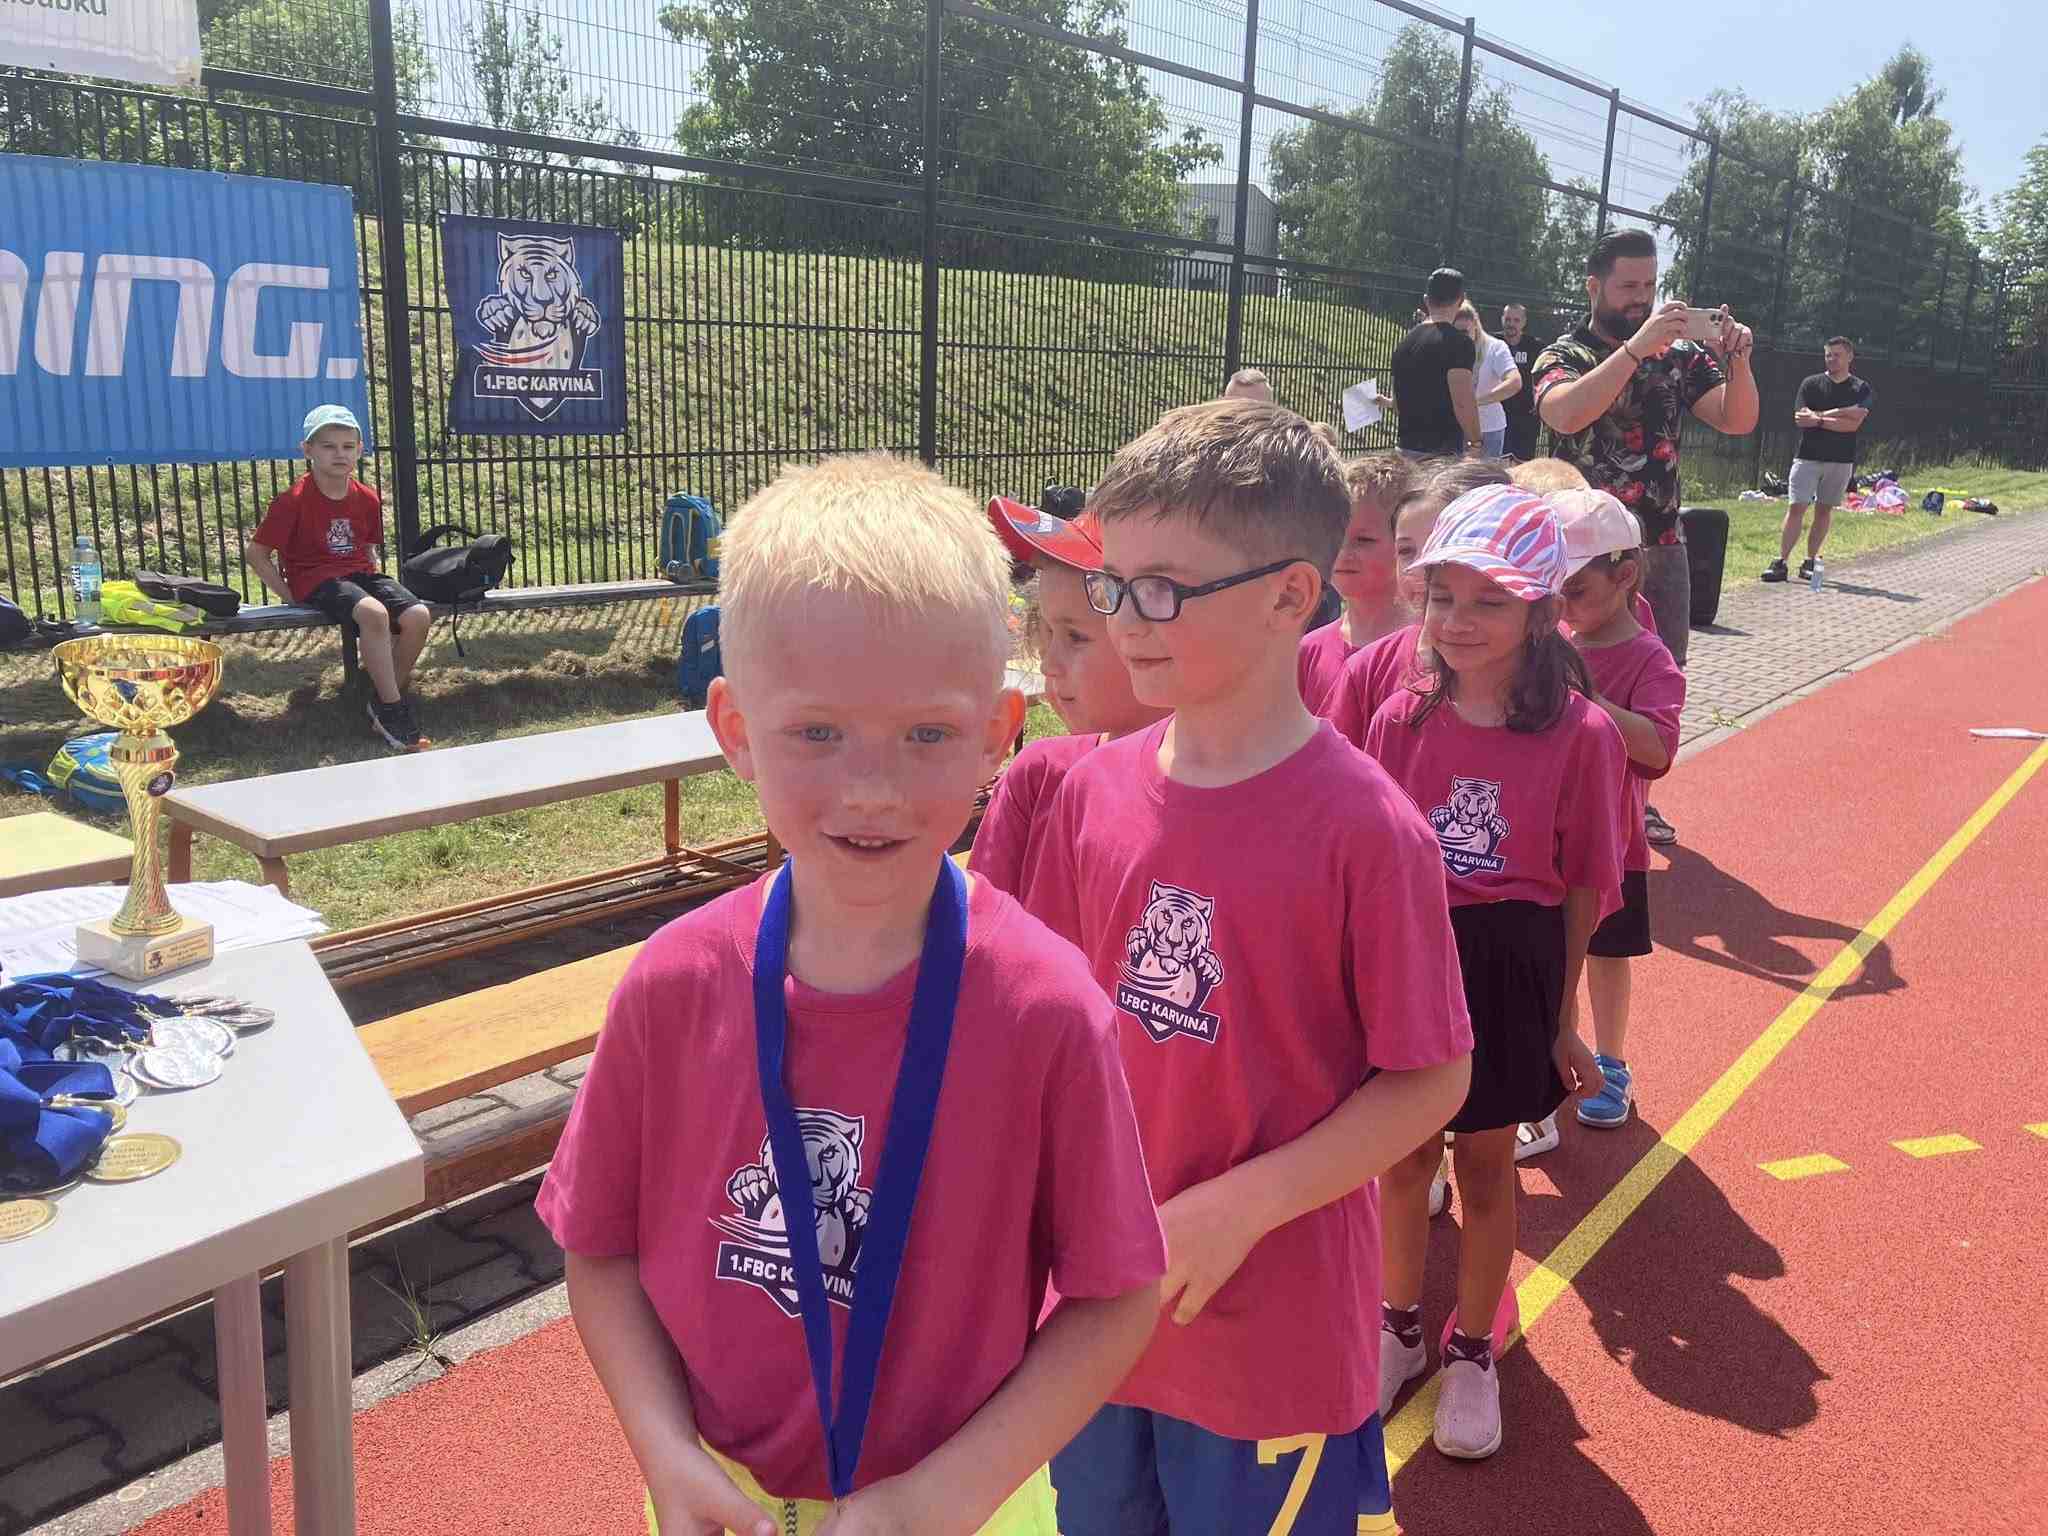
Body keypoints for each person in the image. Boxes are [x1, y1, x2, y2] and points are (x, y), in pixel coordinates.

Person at [536, 453, 1168, 1536]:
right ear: (734, 729)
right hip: (714, 1506)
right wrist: (664, 1453)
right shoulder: (671, 985)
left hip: (961, 1513)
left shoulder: (1047, 1009)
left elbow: (1116, 1297)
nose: (871, 790)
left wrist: (944, 1496)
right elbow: (596, 1248)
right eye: (817, 732)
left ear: (997, 732)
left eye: (926, 734)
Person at [1027, 400, 1473, 1536]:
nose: (1125, 621)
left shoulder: (1367, 829)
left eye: (1163, 589)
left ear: (1288, 596)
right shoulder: (1089, 789)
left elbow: (1431, 1076)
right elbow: (1058, 1031)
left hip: (1268, 1336)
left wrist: (1241, 1207)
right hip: (1096, 1315)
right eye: (1114, 585)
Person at [1365, 484, 1622, 1459]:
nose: (1458, 620)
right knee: (1399, 1160)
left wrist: (1562, 1023)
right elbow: (1368, 866)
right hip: (1408, 956)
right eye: (1443, 597)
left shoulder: (1582, 735)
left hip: (1509, 963)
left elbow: (1582, 888)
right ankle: (1396, 1327)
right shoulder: (1397, 719)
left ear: (1541, 611)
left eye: (1489, 601)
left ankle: (1472, 1347)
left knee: (1481, 1165)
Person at [1532, 229, 1758, 673]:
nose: (1642, 299)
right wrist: (1635, 350)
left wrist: (1739, 360)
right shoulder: (1564, 354)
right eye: (1629, 286)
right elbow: (1564, 414)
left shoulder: (1680, 355)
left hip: (1660, 543)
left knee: (1660, 676)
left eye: (1650, 286)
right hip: (1577, 551)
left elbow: (1737, 420)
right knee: (1568, 675)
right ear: (1594, 287)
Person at [1552, 489, 1685, 1129]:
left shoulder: (1648, 657)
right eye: (1552, 589)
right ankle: (1553, 1059)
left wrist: (1591, 699)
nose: (1561, 604)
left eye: (1575, 590)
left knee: (1605, 957)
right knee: (1551, 958)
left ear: (1625, 575)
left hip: (1613, 843)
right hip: (1543, 839)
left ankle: (1611, 1063)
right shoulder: (1551, 637)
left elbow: (1658, 748)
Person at [972, 497, 1169, 897]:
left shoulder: (1208, 804)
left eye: (1075, 636)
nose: (1049, 664)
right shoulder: (1038, 778)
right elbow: (978, 921)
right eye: (1047, 631)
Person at [248, 405, 432, 751]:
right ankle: (393, 710)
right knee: (374, 613)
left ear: (359, 450)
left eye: (348, 446)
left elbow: (367, 548)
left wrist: (375, 580)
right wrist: (289, 595)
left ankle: (380, 699)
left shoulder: (367, 497)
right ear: (308, 450)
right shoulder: (291, 501)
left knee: (418, 615)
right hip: (315, 578)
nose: (339, 454)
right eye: (328, 446)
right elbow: (256, 553)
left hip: (358, 574)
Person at [1297, 455, 1414, 715]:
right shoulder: (1309, 650)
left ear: (1404, 543)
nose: (1342, 552)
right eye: (1334, 536)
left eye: (1364, 540)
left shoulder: (1425, 651)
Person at [1764, 336, 1874, 584]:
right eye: (1828, 355)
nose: (1831, 359)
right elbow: (1802, 418)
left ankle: (1810, 562)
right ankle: (1781, 562)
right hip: (1807, 458)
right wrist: (1839, 416)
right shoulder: (1811, 384)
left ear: (1849, 357)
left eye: (1837, 355)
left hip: (1841, 461)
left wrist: (1821, 418)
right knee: (1796, 508)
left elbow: (1853, 424)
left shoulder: (1861, 388)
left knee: (1823, 511)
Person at [1387, 268, 1482, 459]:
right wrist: (1476, 441)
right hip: (1441, 456)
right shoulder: (1460, 344)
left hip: (1404, 452)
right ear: (1461, 300)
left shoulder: (1404, 343)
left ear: (1426, 300)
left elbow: (1397, 405)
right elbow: (1462, 402)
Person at [1453, 302, 1521, 460]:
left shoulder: (1495, 347)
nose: (1460, 338)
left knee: (1484, 475)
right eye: (1455, 332)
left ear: (1475, 324)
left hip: (1489, 430)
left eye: (1464, 332)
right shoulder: (1449, 344)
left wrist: (1475, 402)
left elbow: (1515, 382)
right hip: (1454, 428)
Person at [1500, 304, 1543, 462]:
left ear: (1524, 322)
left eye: (1516, 320)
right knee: (1495, 463)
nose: (1511, 324)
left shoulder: (1536, 346)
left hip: (1526, 417)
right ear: (1502, 320)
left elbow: (1542, 377)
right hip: (1497, 415)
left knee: (1522, 465)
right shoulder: (1493, 343)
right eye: (1508, 319)